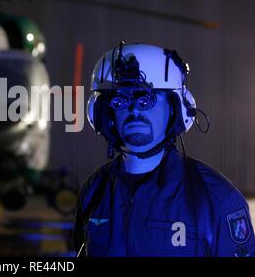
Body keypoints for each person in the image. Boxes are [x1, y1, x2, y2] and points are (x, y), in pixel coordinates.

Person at [74, 41, 255, 257]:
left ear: (174, 108)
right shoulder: (94, 190)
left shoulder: (216, 197)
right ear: (107, 114)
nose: (133, 110)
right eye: (120, 101)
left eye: (145, 100)